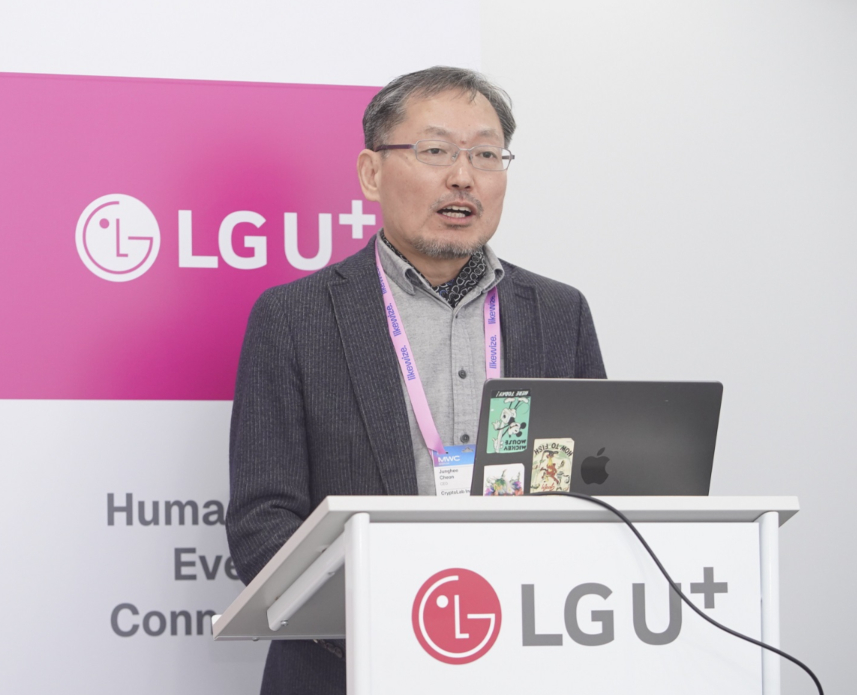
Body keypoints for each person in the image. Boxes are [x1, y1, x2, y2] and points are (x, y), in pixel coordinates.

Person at [226, 66, 606, 694]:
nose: (463, 176)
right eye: (435, 151)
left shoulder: (559, 313)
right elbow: (262, 523)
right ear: (371, 173)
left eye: (486, 154)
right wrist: (396, 628)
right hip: (352, 666)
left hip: (525, 661)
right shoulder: (294, 318)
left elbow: (599, 495)